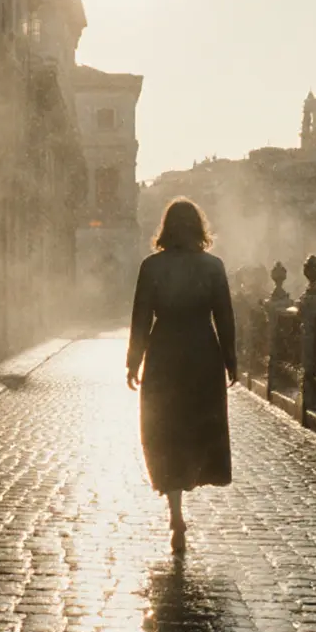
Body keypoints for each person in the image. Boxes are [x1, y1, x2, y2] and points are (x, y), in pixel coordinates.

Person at [125, 197, 237, 554]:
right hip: (202, 353)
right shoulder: (213, 267)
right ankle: (191, 478)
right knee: (196, 428)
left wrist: (133, 361)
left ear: (166, 229)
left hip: (165, 353)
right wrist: (231, 360)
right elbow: (225, 317)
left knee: (164, 431)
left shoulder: (151, 266)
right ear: (198, 228)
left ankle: (175, 512)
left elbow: (141, 318)